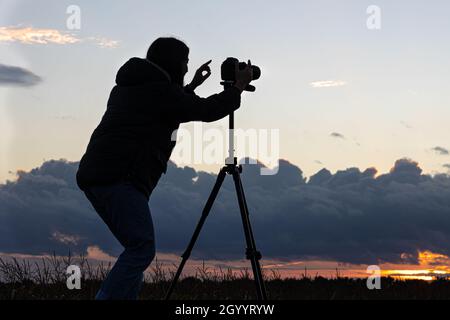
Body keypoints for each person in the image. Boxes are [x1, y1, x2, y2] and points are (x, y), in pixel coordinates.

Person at [76, 37, 253, 300]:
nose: (185, 68)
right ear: (173, 63)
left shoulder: (135, 85)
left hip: (100, 176)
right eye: (184, 62)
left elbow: (171, 106)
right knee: (141, 248)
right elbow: (205, 110)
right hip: (119, 178)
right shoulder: (159, 92)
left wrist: (191, 85)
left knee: (136, 249)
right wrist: (237, 87)